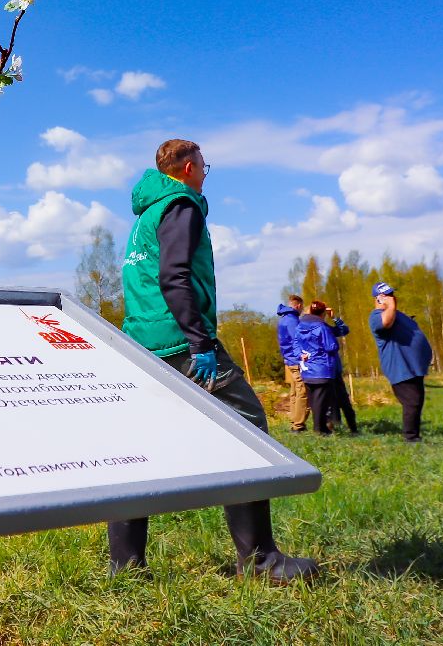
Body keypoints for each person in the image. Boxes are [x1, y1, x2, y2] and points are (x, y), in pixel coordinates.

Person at [109, 140, 319, 583]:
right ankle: (262, 561)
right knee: (248, 431)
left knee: (138, 450)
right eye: (205, 166)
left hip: (144, 344)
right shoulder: (181, 204)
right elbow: (174, 276)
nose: (206, 173)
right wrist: (201, 342)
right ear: (188, 168)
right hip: (183, 344)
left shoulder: (146, 212)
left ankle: (125, 567)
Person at [368, 282, 433, 443]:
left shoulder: (397, 314)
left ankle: (413, 436)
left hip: (414, 367)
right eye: (388, 295)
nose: (392, 298)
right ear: (379, 299)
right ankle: (410, 438)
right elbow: (386, 323)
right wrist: (390, 306)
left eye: (392, 294)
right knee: (412, 402)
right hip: (400, 367)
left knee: (417, 402)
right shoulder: (376, 316)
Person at [295, 301, 353, 435]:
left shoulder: (301, 327)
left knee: (316, 400)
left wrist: (301, 354)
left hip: (308, 370)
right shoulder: (322, 327)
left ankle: (326, 426)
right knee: (330, 400)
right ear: (323, 313)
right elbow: (332, 346)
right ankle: (322, 429)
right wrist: (334, 318)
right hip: (325, 369)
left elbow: (343, 331)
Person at [275, 293, 309, 433]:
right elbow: (298, 340)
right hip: (296, 360)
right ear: (298, 306)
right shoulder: (293, 320)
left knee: (295, 391)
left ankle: (295, 420)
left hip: (289, 360)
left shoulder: (284, 319)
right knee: (302, 391)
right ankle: (298, 425)